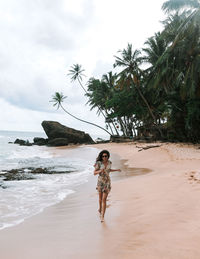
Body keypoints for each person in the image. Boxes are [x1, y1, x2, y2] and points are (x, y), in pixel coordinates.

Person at [94, 150, 121, 222]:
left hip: (107, 182)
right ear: (101, 157)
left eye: (106, 156)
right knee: (100, 198)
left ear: (108, 156)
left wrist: (116, 170)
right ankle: (100, 208)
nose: (104, 157)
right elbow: (94, 173)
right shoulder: (99, 163)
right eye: (103, 156)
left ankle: (102, 216)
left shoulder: (110, 162)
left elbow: (109, 170)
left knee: (104, 199)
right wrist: (100, 171)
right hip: (100, 182)